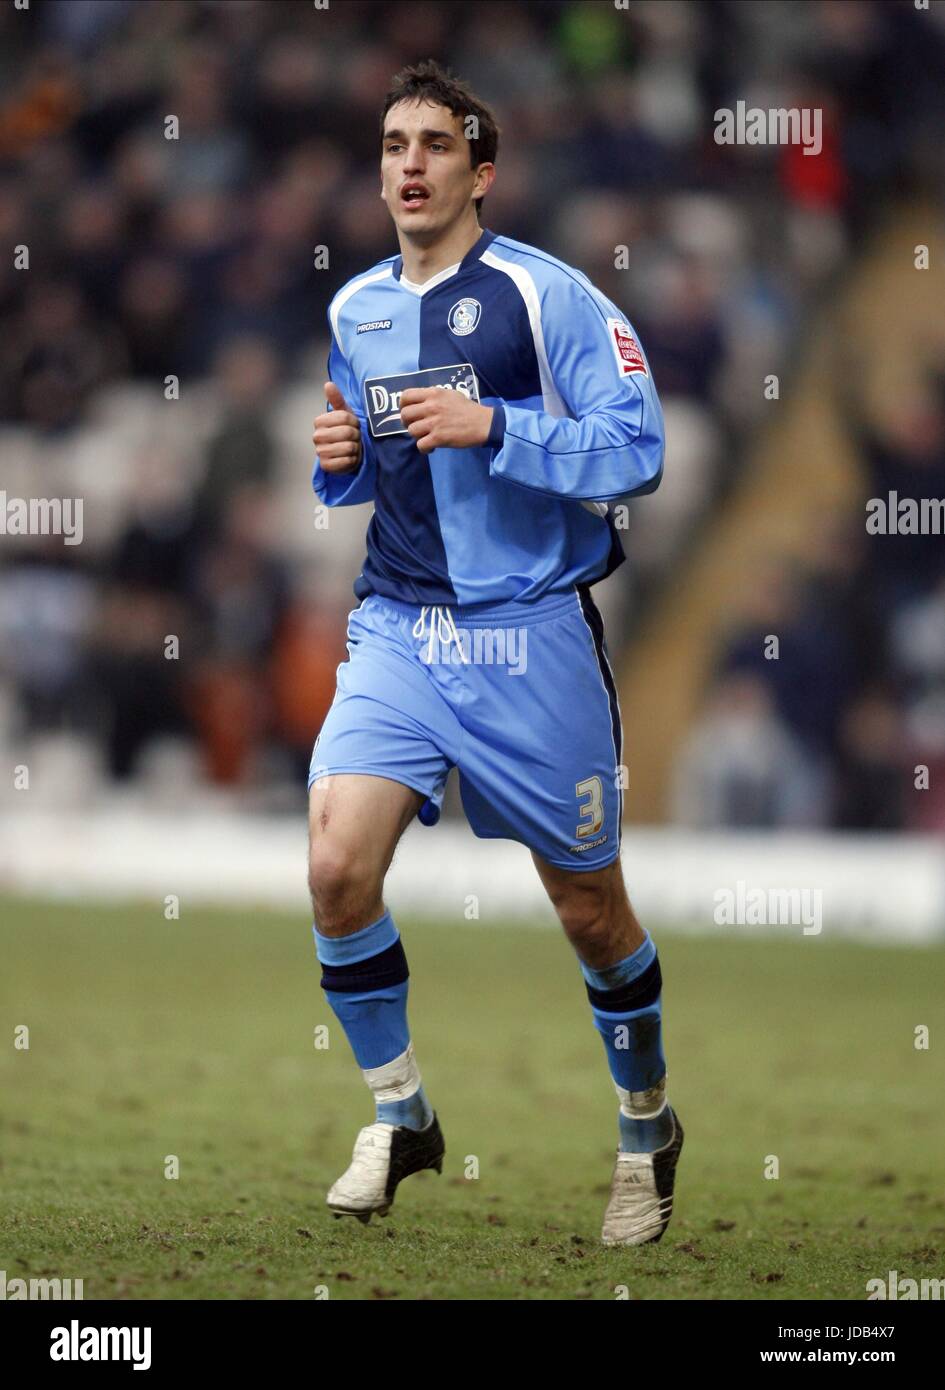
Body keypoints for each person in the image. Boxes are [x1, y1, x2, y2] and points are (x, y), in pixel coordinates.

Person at [308, 59, 681, 1246]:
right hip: (400, 628)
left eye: (432, 144)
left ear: (483, 170)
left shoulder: (547, 295)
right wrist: (339, 458)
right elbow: (380, 466)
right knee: (334, 868)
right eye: (390, 145)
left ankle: (646, 1122)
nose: (407, 164)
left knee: (589, 910)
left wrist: (500, 425)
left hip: (530, 638)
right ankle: (403, 1114)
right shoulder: (356, 309)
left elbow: (639, 449)